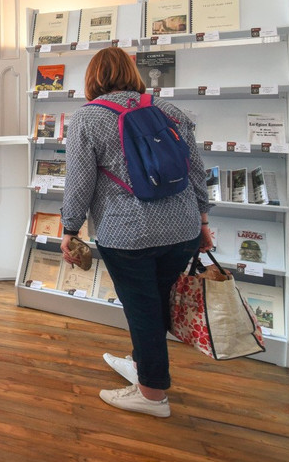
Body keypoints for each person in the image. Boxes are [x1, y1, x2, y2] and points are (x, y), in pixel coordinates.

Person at [60, 47, 212, 418]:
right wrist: (203, 221)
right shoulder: (167, 109)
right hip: (183, 227)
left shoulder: (87, 118)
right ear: (132, 72)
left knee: (143, 309)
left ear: (92, 78)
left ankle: (152, 394)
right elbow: (195, 170)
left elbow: (79, 182)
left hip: (128, 232)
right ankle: (145, 365)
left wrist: (69, 228)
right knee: (157, 302)